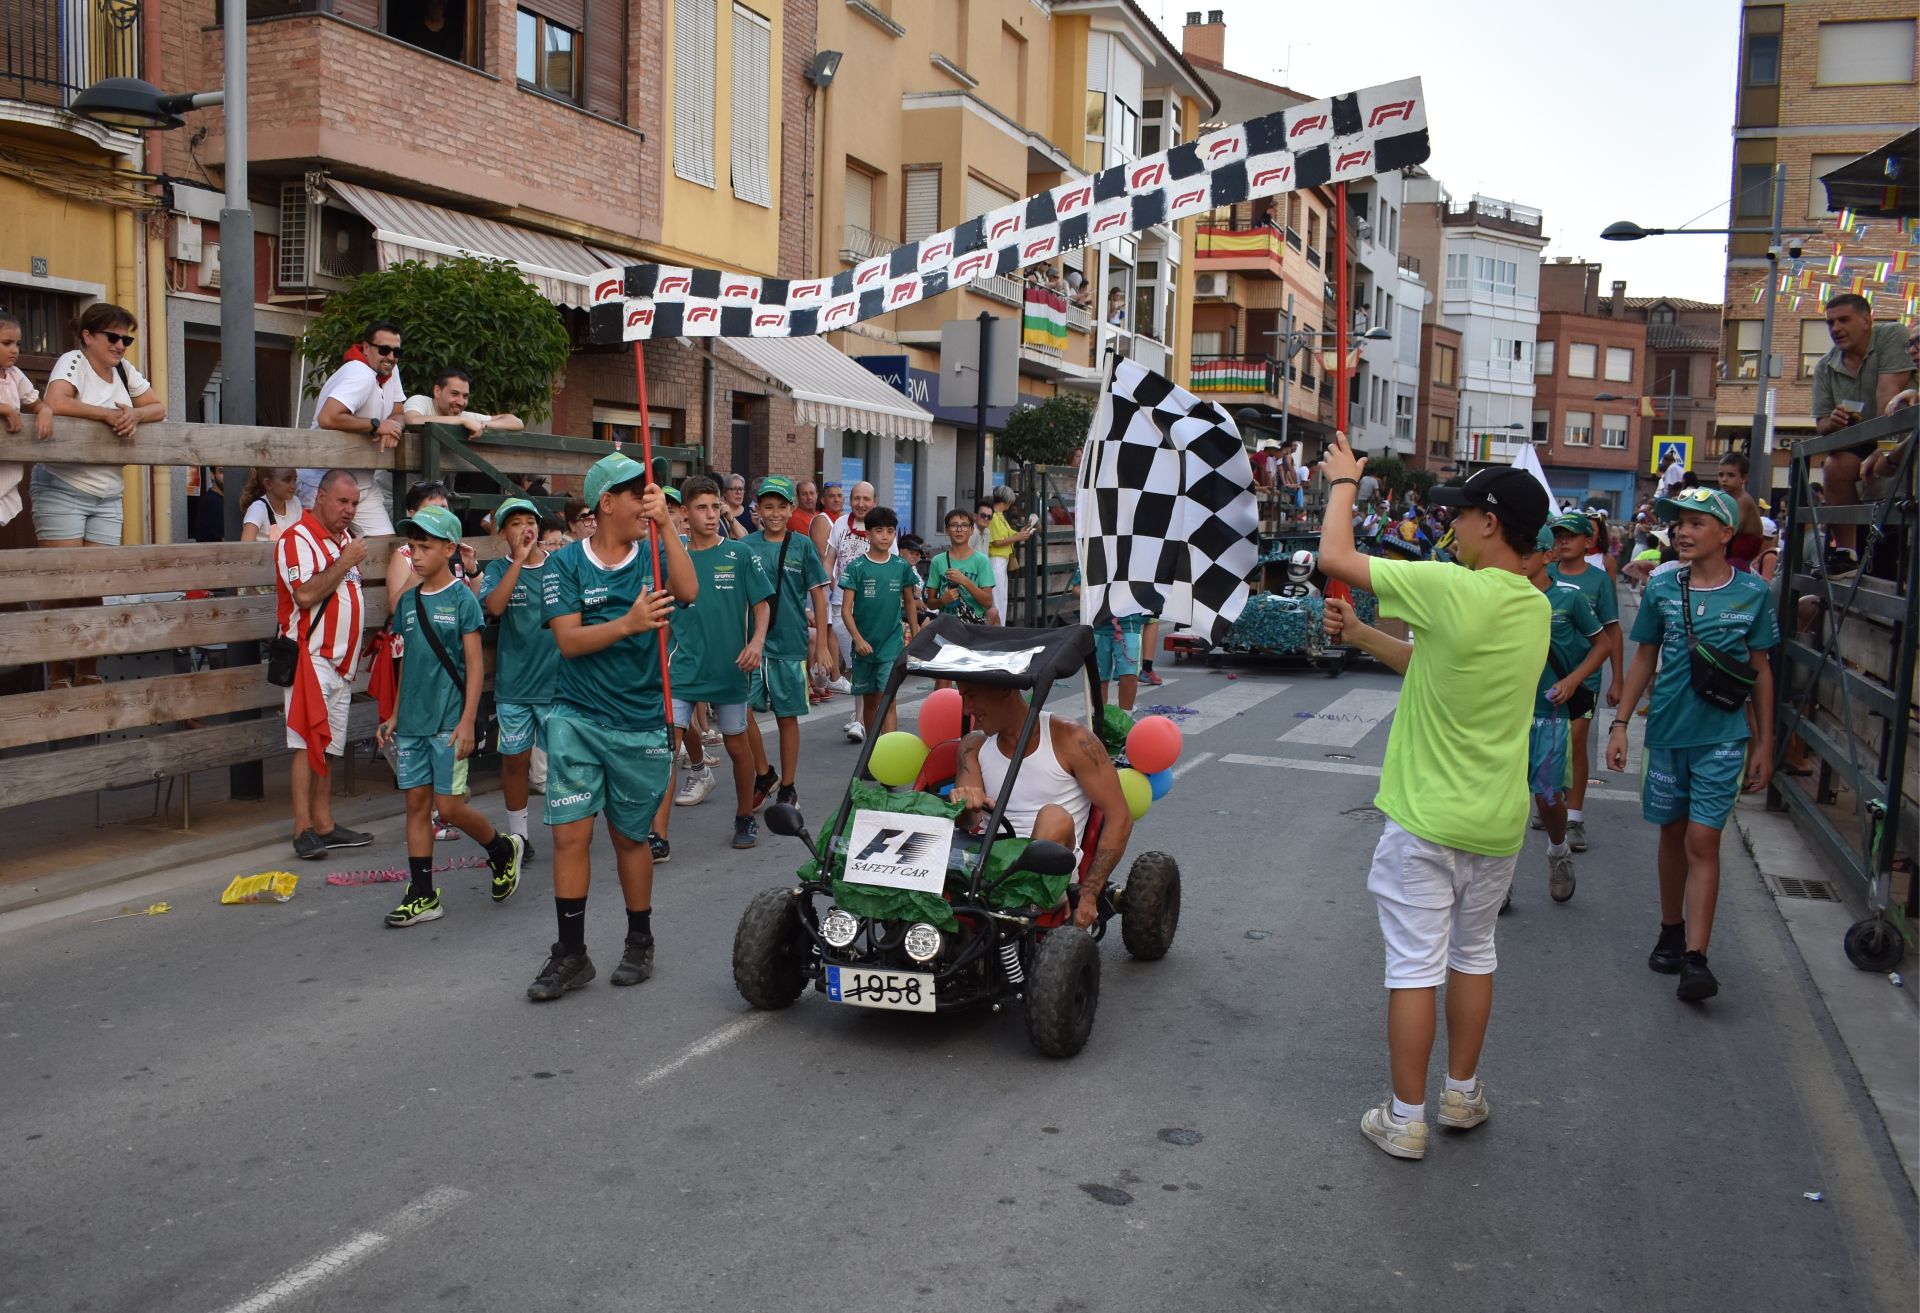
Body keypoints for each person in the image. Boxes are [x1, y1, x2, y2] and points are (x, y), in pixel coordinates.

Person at [1316, 436, 1551, 1162]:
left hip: (1426, 818)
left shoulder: (1452, 586)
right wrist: (1359, 633)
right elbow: (1429, 661)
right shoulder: (1532, 607)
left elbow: (1336, 558)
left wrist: (1344, 484)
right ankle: (1462, 1091)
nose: (1450, 526)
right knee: (1475, 953)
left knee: (1415, 964)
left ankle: (1407, 1115)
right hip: (1496, 822)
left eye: (1460, 513)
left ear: (1490, 520)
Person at [529, 452, 696, 1001]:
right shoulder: (564, 564)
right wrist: (629, 623)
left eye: (653, 496)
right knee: (569, 835)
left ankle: (639, 939)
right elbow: (569, 641)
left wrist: (668, 524)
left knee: (629, 838)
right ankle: (571, 954)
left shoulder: (654, 553)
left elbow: (689, 592)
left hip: (642, 719)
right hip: (575, 716)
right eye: (637, 494)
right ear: (606, 503)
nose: (647, 502)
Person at [1605, 486, 1777, 1002]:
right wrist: (1619, 724)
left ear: (1726, 533)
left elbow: (1762, 670)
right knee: (1672, 833)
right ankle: (1671, 928)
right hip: (1666, 734)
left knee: (1703, 840)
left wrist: (1765, 742)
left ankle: (1697, 958)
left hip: (1723, 737)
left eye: (1697, 523)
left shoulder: (1753, 593)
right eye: (1679, 522)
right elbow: (1643, 658)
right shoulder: (1661, 588)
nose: (1682, 530)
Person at [376, 504, 525, 927]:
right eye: (412, 547)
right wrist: (394, 715)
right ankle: (423, 894)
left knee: (449, 807)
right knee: (417, 806)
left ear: (449, 549)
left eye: (424, 547)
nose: (416, 555)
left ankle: (501, 848)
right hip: (413, 724)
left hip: (448, 721)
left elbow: (475, 667)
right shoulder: (406, 602)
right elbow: (407, 662)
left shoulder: (463, 599)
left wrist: (466, 722)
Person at [36, 303, 164, 686]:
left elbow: (158, 407)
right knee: (63, 583)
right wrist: (108, 415)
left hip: (108, 493)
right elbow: (57, 402)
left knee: (95, 586)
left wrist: (135, 415)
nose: (121, 345)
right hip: (64, 485)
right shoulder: (72, 361)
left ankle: (87, 670)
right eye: (113, 337)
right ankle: (58, 671)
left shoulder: (124, 370)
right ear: (88, 336)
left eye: (127, 338)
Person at [949, 680, 1135, 929]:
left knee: (1053, 815)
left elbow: (1119, 817)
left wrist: (1089, 895)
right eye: (963, 697)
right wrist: (966, 805)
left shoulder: (1072, 738)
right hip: (986, 869)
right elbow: (968, 822)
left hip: (1050, 870)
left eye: (971, 694)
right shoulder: (973, 745)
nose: (966, 708)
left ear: (1006, 687)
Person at [666, 475, 774, 848]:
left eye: (716, 507)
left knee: (735, 746)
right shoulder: (671, 554)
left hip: (731, 667)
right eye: (702, 508)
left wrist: (757, 643)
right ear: (684, 513)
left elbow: (762, 605)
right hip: (683, 668)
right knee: (667, 749)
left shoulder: (740, 554)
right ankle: (657, 834)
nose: (711, 515)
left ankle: (745, 817)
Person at [275, 469, 373, 861]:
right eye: (342, 501)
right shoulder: (296, 539)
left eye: (354, 504)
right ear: (320, 497)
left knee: (328, 745)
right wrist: (344, 559)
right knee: (305, 742)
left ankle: (325, 823)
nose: (349, 510)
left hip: (341, 664)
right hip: (309, 657)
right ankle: (303, 828)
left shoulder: (347, 540)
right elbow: (304, 595)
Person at [743, 476, 832, 811]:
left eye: (781, 506)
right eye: (768, 506)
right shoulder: (746, 546)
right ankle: (764, 773)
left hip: (791, 644)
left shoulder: (802, 545)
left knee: (787, 717)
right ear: (758, 510)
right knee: (741, 712)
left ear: (791, 508)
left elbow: (819, 597)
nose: (775, 513)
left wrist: (821, 644)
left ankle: (789, 787)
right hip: (753, 644)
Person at [1811, 294, 1916, 575]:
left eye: (1843, 320)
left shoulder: (1891, 334)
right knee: (1835, 465)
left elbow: (1888, 398)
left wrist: (1881, 450)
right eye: (1830, 322)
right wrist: (1831, 422)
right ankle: (1847, 554)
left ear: (1867, 320)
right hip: (1858, 443)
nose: (1835, 328)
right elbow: (1820, 424)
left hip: (1902, 433)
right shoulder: (1824, 366)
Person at [479, 496, 558, 860]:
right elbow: (494, 607)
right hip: (514, 686)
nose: (524, 528)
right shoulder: (497, 569)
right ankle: (520, 838)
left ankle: (568, 828)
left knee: (564, 762)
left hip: (557, 684)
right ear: (503, 533)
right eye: (514, 523)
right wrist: (520, 561)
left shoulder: (559, 566)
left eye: (530, 521)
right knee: (514, 760)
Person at [1543, 513, 1621, 854]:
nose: (1563, 542)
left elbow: (1612, 633)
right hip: (1544, 678)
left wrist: (1618, 678)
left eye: (1571, 536)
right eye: (1558, 536)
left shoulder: (1599, 580)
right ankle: (1549, 801)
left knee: (1575, 741)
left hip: (1585, 676)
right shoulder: (1544, 576)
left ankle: (1573, 817)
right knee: (1545, 740)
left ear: (1588, 542)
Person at [305, 321, 405, 536]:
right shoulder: (360, 373)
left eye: (397, 351)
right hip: (324, 481)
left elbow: (398, 409)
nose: (391, 356)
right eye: (384, 350)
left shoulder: (390, 370)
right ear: (366, 348)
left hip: (362, 483)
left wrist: (394, 428)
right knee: (320, 551)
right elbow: (328, 417)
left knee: (385, 547)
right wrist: (376, 425)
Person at [839, 506, 919, 741]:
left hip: (891, 645)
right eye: (879, 531)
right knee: (871, 701)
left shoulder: (901, 566)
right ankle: (872, 755)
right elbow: (846, 610)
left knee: (889, 700)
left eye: (890, 531)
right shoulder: (856, 567)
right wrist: (858, 639)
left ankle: (889, 754)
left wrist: (916, 635)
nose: (885, 536)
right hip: (864, 647)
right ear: (868, 534)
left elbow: (910, 602)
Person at [823, 480, 889, 737]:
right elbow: (829, 558)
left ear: (874, 501)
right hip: (842, 604)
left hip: (872, 608)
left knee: (866, 661)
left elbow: (891, 562)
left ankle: (861, 719)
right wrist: (826, 583)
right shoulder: (840, 524)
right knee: (855, 664)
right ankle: (862, 713)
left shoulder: (881, 525)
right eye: (856, 498)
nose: (861, 504)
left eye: (866, 499)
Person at [0, 310, 53, 531]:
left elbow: (35, 402)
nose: (14, 350)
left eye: (18, 344)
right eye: (6, 343)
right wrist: (5, 409)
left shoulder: (14, 375)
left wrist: (45, 411)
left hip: (7, 469)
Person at [402, 366, 524, 436]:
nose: (461, 402)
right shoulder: (421, 401)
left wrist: (483, 425)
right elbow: (412, 420)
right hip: (392, 481)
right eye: (454, 394)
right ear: (437, 391)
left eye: (465, 396)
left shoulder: (464, 416)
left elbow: (517, 422)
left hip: (432, 481)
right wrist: (462, 420)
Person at [985, 485, 1036, 623]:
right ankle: (998, 627)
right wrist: (1018, 537)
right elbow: (996, 542)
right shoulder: (994, 517)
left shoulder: (999, 516)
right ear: (1006, 501)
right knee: (997, 597)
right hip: (995, 560)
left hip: (1001, 560)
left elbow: (1007, 535)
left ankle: (1000, 625)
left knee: (1001, 597)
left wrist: (1021, 533)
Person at [1715, 452, 1767, 572]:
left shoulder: (1742, 499)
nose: (1724, 479)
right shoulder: (1726, 497)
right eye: (1721, 475)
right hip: (1734, 541)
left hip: (1745, 543)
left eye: (1731, 475)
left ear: (1744, 478)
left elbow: (1735, 527)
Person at [238, 467, 302, 545]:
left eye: (295, 480)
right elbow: (245, 548)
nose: (293, 486)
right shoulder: (257, 509)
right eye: (287, 480)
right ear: (268, 484)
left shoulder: (295, 502)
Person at [720, 472, 756, 538]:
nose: (738, 492)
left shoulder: (752, 513)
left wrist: (759, 524)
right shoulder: (719, 514)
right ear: (724, 492)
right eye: (734, 489)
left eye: (741, 489)